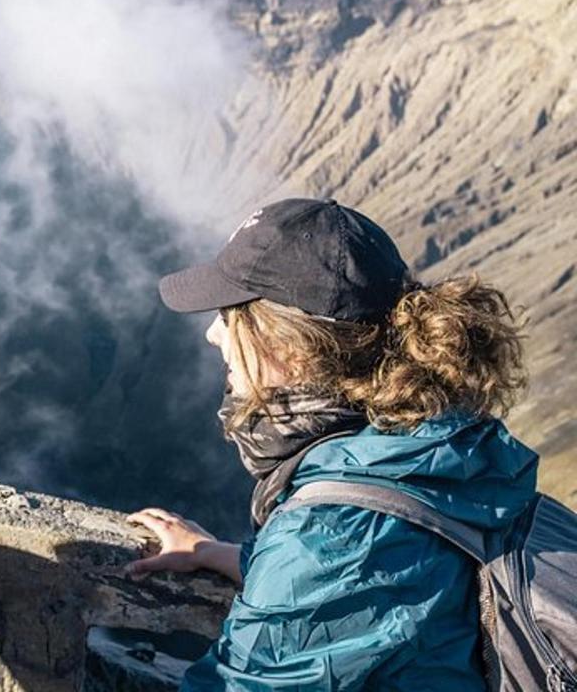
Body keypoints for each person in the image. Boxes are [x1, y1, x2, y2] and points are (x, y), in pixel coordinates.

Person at [126, 198, 539, 690]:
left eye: (231, 313)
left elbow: (344, 564)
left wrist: (290, 564)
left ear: (290, 347)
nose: (214, 334)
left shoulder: (331, 538)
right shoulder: (442, 442)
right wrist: (223, 555)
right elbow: (371, 581)